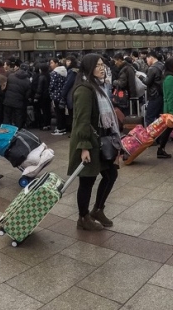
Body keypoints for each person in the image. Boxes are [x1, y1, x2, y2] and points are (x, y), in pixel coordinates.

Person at [67, 54, 121, 231]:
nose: (101, 68)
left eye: (102, 65)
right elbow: (81, 120)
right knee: (87, 180)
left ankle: (98, 209)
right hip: (89, 142)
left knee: (111, 174)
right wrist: (84, 147)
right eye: (97, 65)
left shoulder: (98, 86)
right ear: (89, 68)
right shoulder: (84, 90)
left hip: (102, 141)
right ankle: (83, 217)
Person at [3, 58, 31, 129]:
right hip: (19, 102)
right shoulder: (27, 81)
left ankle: (6, 131)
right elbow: (27, 95)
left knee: (7, 117)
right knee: (18, 118)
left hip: (8, 100)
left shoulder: (10, 76)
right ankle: (17, 131)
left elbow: (5, 88)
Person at [143, 50, 165, 124]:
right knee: (160, 117)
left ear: (151, 58)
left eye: (147, 59)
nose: (147, 62)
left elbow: (147, 81)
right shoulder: (162, 65)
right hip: (162, 94)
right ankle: (161, 131)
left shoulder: (152, 68)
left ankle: (151, 132)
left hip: (154, 95)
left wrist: (140, 77)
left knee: (149, 117)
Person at [49, 58, 69, 135]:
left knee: (58, 112)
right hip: (63, 94)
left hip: (56, 95)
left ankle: (59, 128)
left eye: (52, 63)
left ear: (57, 63)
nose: (50, 65)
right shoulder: (65, 71)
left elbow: (52, 85)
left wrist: (50, 92)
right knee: (62, 112)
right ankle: (63, 127)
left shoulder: (54, 73)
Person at [32, 63, 52, 131]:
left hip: (43, 96)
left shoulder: (41, 77)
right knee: (48, 110)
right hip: (48, 96)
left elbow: (39, 88)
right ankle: (48, 124)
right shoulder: (49, 75)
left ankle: (44, 125)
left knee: (44, 111)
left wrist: (36, 97)